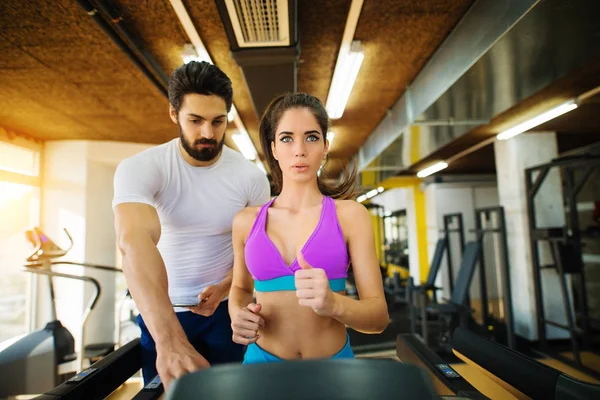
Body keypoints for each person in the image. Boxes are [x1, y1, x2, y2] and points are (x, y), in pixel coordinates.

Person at [112, 61, 271, 387]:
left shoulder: (250, 177)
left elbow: (254, 252)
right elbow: (133, 242)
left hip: (226, 314)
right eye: (195, 121)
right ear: (174, 114)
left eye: (218, 121)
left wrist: (226, 287)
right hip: (161, 314)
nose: (208, 133)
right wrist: (168, 340)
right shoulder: (142, 168)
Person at [229, 92, 389, 363]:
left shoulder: (350, 216)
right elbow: (241, 289)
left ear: (325, 146)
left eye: (311, 137)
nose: (299, 150)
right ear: (274, 149)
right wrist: (237, 315)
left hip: (333, 370)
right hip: (261, 366)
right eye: (287, 138)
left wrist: (334, 304)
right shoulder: (245, 221)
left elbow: (378, 319)